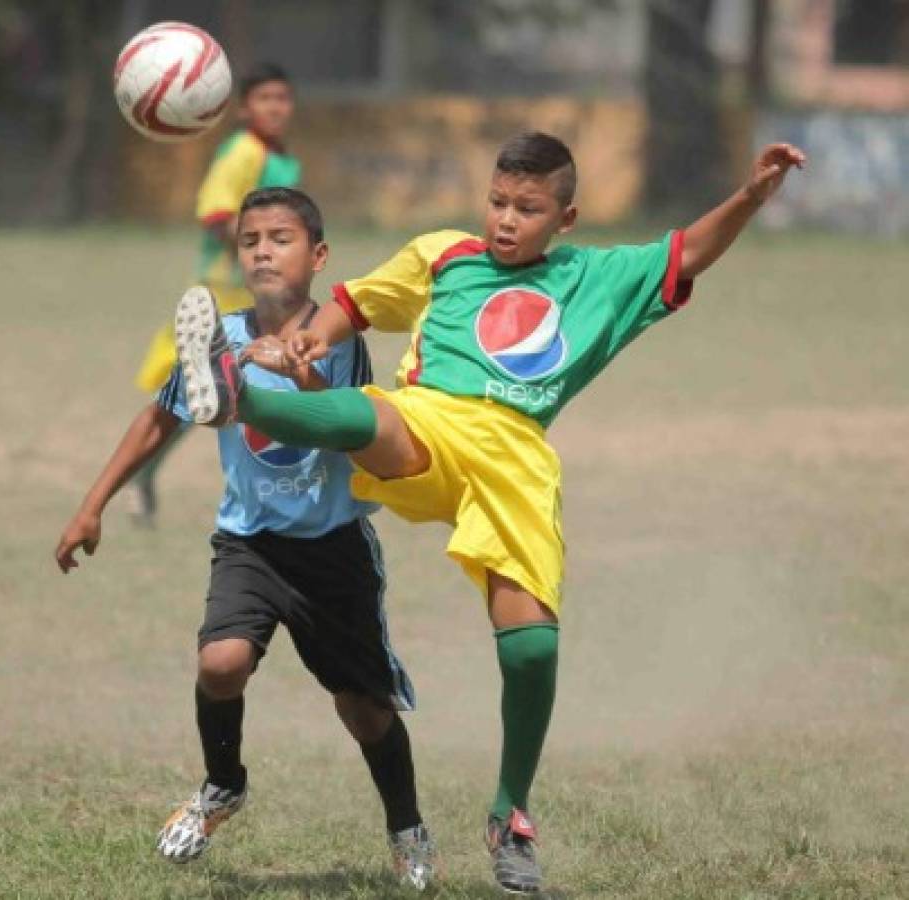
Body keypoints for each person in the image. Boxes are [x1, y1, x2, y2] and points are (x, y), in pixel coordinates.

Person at [175, 133, 807, 894]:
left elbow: (689, 253)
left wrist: (751, 195)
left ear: (565, 217)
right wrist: (306, 343)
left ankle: (509, 816)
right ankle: (237, 397)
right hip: (432, 420)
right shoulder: (443, 255)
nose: (506, 220)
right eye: (498, 203)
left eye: (527, 209)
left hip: (513, 458)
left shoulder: (597, 276)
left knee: (531, 649)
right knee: (370, 420)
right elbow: (353, 303)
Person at [55, 187, 435, 890]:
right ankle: (222, 786)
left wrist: (300, 373)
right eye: (251, 239)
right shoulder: (220, 337)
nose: (262, 249)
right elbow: (156, 419)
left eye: (280, 238)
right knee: (220, 663)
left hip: (333, 550)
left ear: (317, 256)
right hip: (250, 544)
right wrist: (92, 504)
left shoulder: (339, 343)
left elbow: (350, 421)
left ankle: (406, 826)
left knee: (364, 711)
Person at [127, 63, 301, 525]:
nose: (276, 107)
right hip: (222, 292)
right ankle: (140, 474)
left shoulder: (280, 157)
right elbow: (219, 213)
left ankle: (148, 476)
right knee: (189, 397)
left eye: (283, 98)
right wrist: (259, 266)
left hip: (258, 295)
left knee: (231, 396)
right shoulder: (243, 151)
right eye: (265, 99)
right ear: (245, 108)